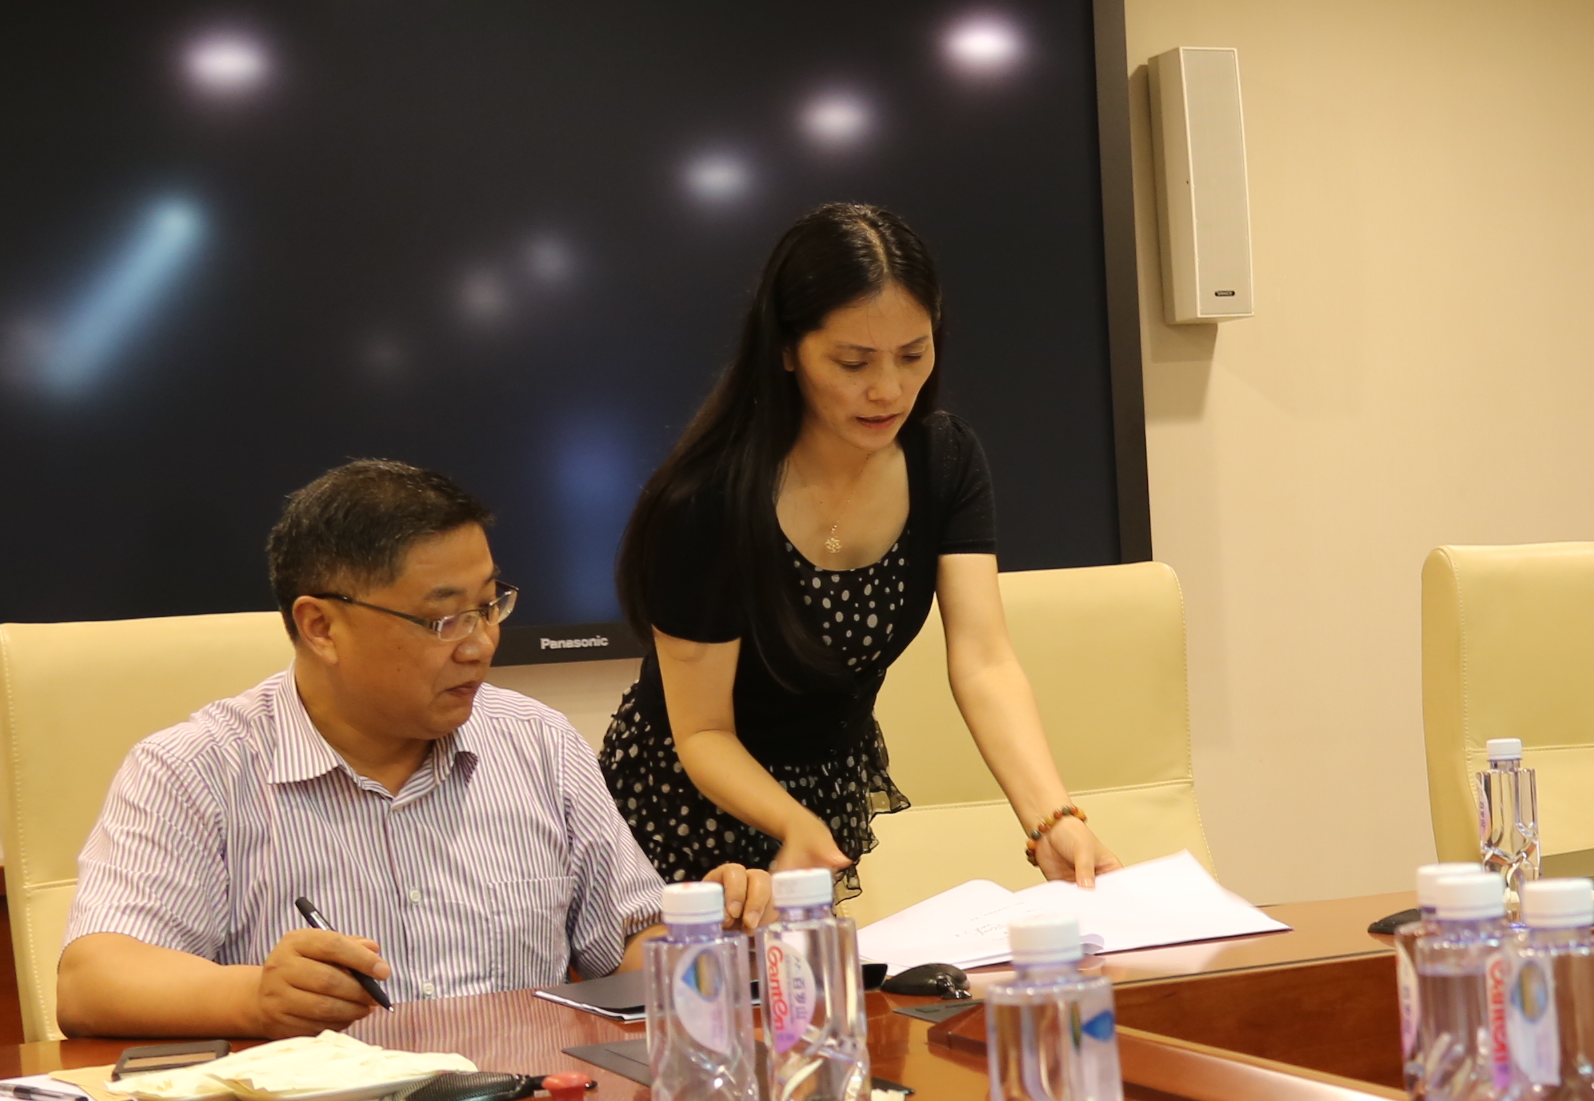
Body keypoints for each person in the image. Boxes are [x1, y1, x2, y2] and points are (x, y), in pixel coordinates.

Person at [603, 202, 1125, 896]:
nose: (889, 390)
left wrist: (1051, 819)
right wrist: (792, 823)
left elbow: (985, 661)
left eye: (913, 354)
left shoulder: (944, 461)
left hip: (824, 788)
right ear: (786, 350)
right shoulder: (709, 503)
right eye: (853, 362)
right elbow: (701, 732)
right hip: (685, 801)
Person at [56, 461, 673, 1039]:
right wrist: (256, 997)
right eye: (444, 620)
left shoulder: (537, 742)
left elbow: (628, 946)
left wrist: (697, 938)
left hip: (522, 1100)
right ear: (320, 627)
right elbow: (91, 983)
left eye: (489, 606)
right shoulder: (195, 770)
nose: (481, 644)